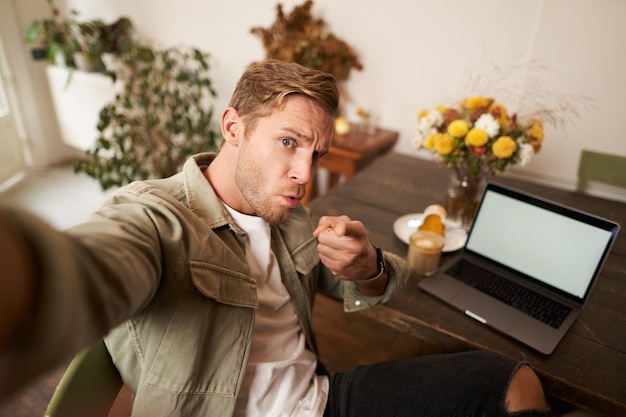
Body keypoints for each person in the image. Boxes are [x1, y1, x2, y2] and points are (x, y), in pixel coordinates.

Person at [0, 59, 551, 416]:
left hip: (322, 402)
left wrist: (369, 267)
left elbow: (391, 279)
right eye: (288, 142)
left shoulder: (294, 219)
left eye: (315, 154)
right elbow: (88, 270)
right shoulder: (156, 218)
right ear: (233, 127)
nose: (305, 174)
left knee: (512, 379)